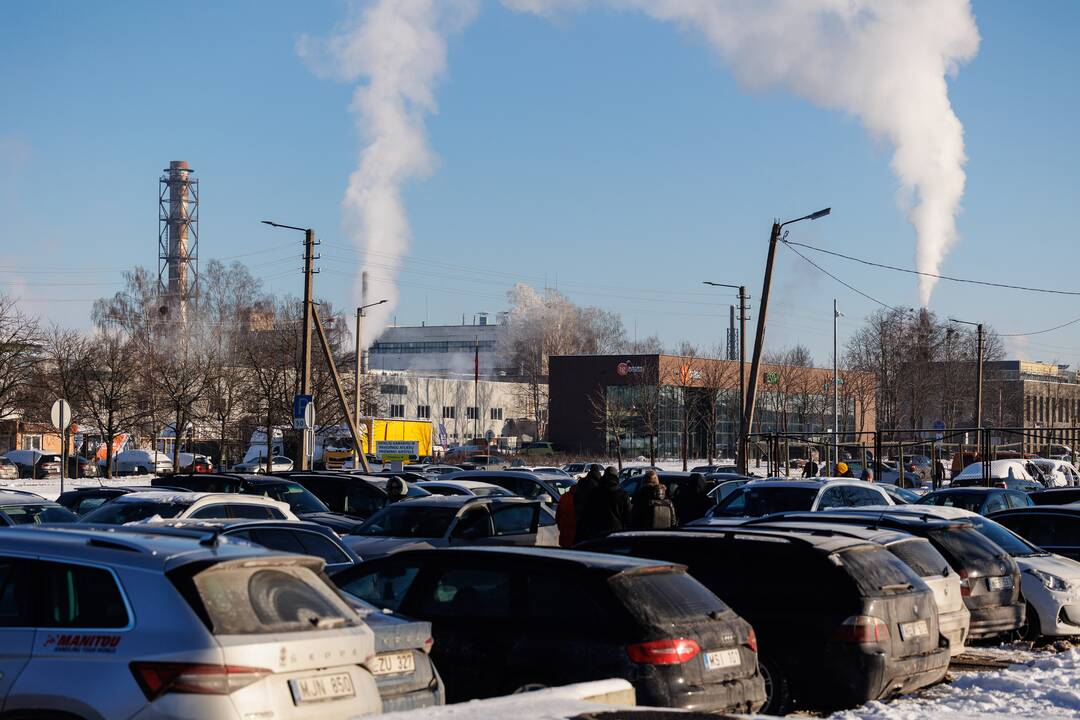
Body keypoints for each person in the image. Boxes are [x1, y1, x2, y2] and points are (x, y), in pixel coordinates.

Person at [576, 466, 631, 542]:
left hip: (598, 535)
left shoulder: (595, 493)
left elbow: (587, 514)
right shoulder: (623, 495)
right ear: (616, 477)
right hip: (616, 534)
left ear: (604, 476)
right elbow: (628, 517)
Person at [555, 483, 579, 547]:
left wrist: (561, 527)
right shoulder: (581, 499)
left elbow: (558, 516)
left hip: (564, 533)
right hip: (576, 537)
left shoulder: (564, 497)